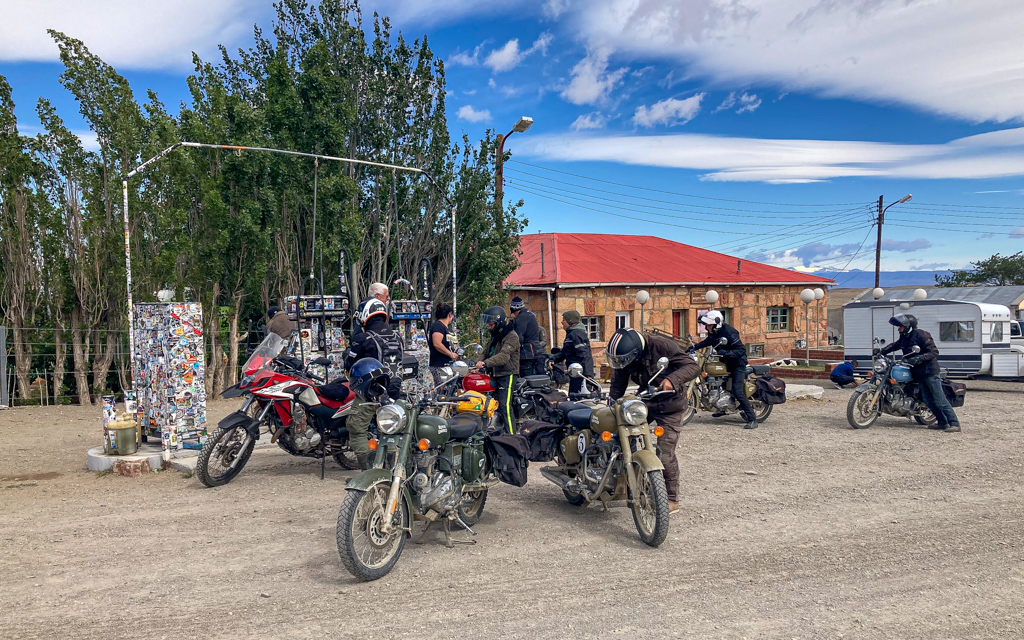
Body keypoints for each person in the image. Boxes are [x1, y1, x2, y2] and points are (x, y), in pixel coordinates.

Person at [607, 327, 699, 515]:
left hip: (670, 405)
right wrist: (612, 403)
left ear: (637, 351)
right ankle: (629, 482)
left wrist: (672, 380)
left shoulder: (662, 346)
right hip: (645, 402)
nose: (622, 363)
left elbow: (692, 366)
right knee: (621, 436)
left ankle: (671, 499)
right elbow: (619, 380)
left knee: (665, 452)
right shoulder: (626, 357)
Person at [343, 298, 405, 468]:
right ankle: (391, 469)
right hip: (394, 392)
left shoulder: (362, 338)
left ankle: (367, 472)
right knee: (390, 429)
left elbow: (349, 364)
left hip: (371, 393)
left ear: (365, 315)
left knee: (356, 428)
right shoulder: (397, 337)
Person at [880, 313, 960, 432]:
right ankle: (942, 422)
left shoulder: (922, 335)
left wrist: (919, 358)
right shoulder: (905, 338)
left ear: (908, 326)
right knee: (928, 400)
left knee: (939, 399)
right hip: (918, 373)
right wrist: (881, 351)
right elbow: (895, 345)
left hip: (930, 372)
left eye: (901, 326)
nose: (899, 328)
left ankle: (954, 423)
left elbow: (934, 352)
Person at [691, 310, 758, 430]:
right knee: (717, 382)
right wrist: (693, 347)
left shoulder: (729, 332)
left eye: (710, 325)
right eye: (707, 325)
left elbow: (741, 350)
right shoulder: (714, 332)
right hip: (725, 361)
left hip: (738, 363)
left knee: (737, 390)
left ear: (717, 324)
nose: (708, 327)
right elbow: (708, 341)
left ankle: (752, 419)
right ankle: (722, 407)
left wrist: (726, 352)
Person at [474, 306, 520, 434]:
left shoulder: (511, 336)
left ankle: (512, 436)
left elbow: (504, 356)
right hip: (495, 374)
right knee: (492, 405)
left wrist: (486, 363)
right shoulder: (496, 335)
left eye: (491, 324)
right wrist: (476, 365)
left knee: (505, 406)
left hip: (508, 374)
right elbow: (486, 352)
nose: (489, 327)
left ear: (498, 322)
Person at [548, 310, 594, 397]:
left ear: (570, 321)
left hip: (580, 374)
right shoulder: (571, 334)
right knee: (573, 397)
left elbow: (585, 355)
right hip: (574, 373)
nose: (562, 322)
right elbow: (565, 351)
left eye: (564, 320)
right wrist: (553, 359)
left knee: (577, 399)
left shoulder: (577, 334)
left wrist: (588, 375)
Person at [510, 297, 546, 377]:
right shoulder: (531, 315)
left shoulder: (521, 317)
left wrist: (510, 350)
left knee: (526, 380)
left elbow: (518, 337)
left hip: (527, 354)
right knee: (536, 379)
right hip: (536, 352)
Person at [428, 303, 459, 384]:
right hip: (439, 365)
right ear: (450, 315)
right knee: (441, 389)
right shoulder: (438, 326)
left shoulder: (447, 328)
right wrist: (450, 354)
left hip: (449, 365)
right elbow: (437, 343)